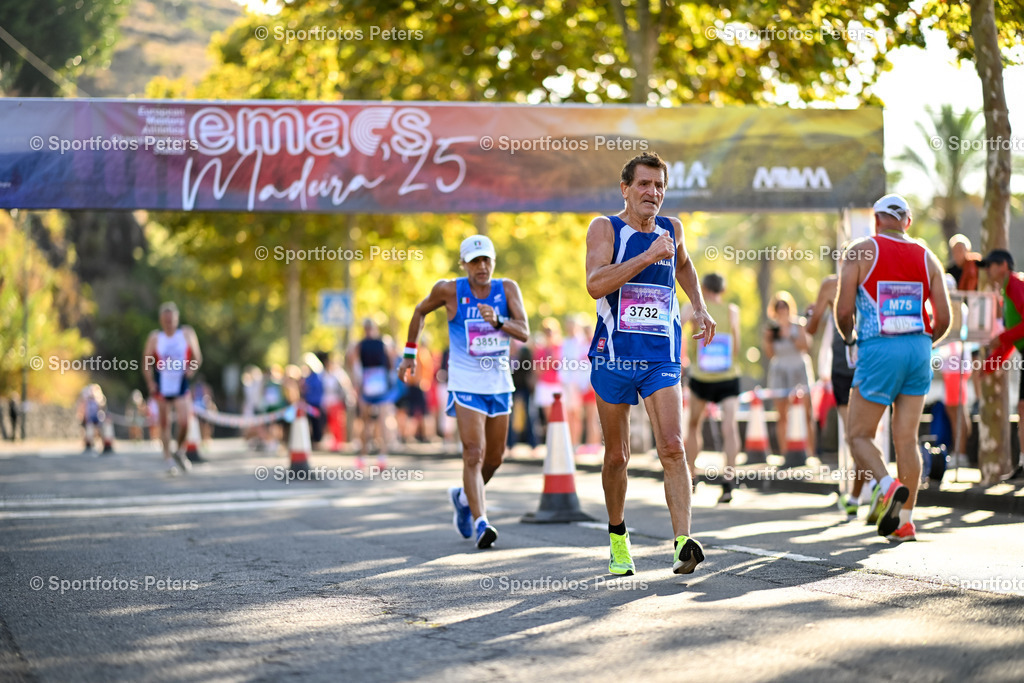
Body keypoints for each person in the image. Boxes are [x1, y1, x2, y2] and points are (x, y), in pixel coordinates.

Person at [586, 151, 715, 576]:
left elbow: (685, 265)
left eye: (659, 186)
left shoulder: (672, 229)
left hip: (660, 354)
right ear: (626, 189)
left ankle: (683, 542)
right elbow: (594, 284)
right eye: (644, 184)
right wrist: (646, 256)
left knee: (673, 447)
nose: (653, 193)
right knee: (617, 457)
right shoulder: (605, 228)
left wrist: (699, 306)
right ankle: (618, 538)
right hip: (613, 355)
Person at [399, 234, 529, 550]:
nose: (481, 267)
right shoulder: (449, 290)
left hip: (498, 385)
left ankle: (461, 497)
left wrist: (498, 321)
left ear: (493, 262)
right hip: (465, 383)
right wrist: (409, 353)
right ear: (464, 264)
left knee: (495, 458)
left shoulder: (507, 289)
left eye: (486, 260)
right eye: (475, 261)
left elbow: (524, 332)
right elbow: (419, 311)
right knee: (474, 452)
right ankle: (480, 520)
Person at [835, 194, 951, 541]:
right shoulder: (928, 256)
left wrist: (850, 338)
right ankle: (906, 521)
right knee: (907, 439)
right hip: (918, 348)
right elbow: (944, 318)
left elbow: (843, 313)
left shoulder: (860, 250)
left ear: (876, 221)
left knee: (859, 435)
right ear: (908, 223)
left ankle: (886, 486)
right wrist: (922, 343)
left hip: (879, 348)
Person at [806, 273, 871, 517]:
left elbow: (812, 329)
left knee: (854, 435)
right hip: (875, 360)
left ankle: (878, 484)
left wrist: (812, 315)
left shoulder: (830, 284)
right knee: (866, 434)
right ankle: (856, 496)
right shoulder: (873, 277)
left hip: (844, 367)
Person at [681, 273, 741, 504]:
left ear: (702, 287)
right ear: (723, 290)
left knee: (694, 424)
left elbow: (678, 327)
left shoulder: (692, 308)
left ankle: (692, 478)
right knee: (730, 427)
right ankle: (729, 481)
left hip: (702, 376)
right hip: (728, 375)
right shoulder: (732, 311)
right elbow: (736, 344)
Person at [978, 249, 1024, 482]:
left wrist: (1002, 338)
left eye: (991, 265)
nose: (988, 271)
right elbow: (1011, 341)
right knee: (1023, 408)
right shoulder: (1006, 291)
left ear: (1004, 265)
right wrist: (988, 366)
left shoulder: (1015, 284)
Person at [143, 301, 203, 475]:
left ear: (176, 319)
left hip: (181, 381)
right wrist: (150, 382)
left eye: (171, 319)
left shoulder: (186, 333)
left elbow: (197, 357)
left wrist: (191, 368)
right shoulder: (155, 337)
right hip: (162, 381)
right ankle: (168, 458)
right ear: (161, 320)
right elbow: (146, 361)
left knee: (185, 421)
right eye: (165, 320)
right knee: (165, 423)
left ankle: (180, 450)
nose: (169, 323)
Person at [763, 291, 815, 463]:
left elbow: (806, 346)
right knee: (782, 414)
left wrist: (790, 336)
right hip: (780, 371)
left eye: (784, 305)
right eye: (778, 306)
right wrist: (768, 339)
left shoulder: (798, 324)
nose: (782, 309)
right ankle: (785, 454)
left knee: (806, 414)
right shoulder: (772, 328)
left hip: (799, 369)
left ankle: (810, 453)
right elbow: (770, 354)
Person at [349, 318, 395, 468]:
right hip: (378, 382)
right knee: (376, 420)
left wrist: (358, 384)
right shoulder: (383, 344)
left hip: (369, 382)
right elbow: (391, 363)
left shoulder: (360, 345)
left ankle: (369, 456)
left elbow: (355, 365)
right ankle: (379, 456)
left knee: (370, 420)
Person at [533, 318, 564, 425]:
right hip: (545, 385)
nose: (549, 334)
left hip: (560, 385)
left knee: (562, 416)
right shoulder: (540, 349)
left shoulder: (561, 347)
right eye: (546, 331)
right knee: (549, 417)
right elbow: (537, 371)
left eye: (551, 331)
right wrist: (549, 361)